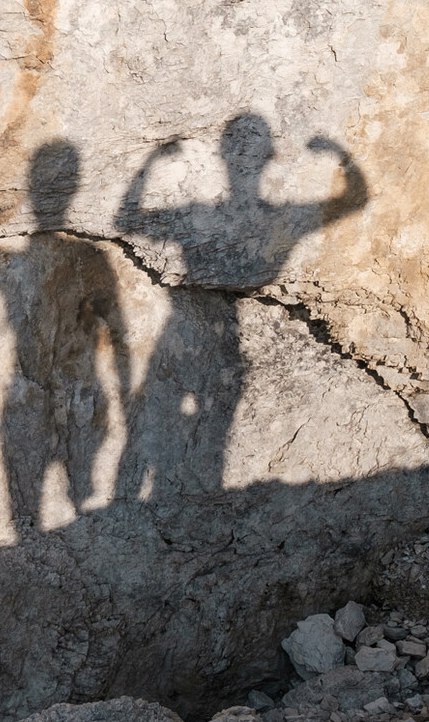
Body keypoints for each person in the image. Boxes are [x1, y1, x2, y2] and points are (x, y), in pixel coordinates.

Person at [113, 114, 367, 502]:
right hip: (231, 336)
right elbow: (356, 199)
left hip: (180, 333)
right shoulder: (284, 217)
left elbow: (126, 217)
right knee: (208, 434)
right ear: (270, 159)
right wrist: (336, 153)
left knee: (150, 428)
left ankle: (129, 503)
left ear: (221, 158)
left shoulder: (212, 213)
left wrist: (151, 166)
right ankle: (174, 501)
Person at [0, 99, 131, 532]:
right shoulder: (71, 257)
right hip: (66, 395)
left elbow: (119, 333)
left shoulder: (64, 257)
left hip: (71, 397)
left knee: (63, 515)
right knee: (68, 515)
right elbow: (119, 336)